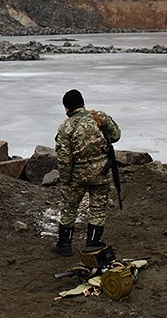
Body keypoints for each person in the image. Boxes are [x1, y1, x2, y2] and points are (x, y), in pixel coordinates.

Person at [52, 89, 121, 256]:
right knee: (98, 209)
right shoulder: (99, 117)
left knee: (69, 208)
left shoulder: (66, 126)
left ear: (66, 107)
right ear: (82, 103)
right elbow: (116, 135)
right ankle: (92, 243)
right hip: (102, 173)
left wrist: (65, 180)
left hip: (77, 175)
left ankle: (64, 245)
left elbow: (64, 158)